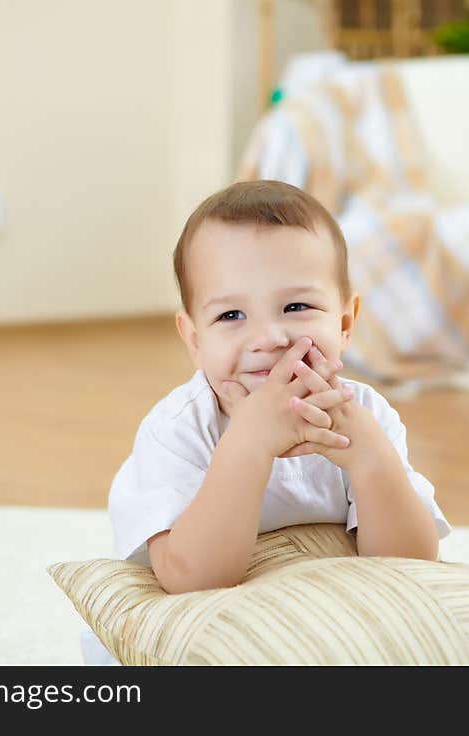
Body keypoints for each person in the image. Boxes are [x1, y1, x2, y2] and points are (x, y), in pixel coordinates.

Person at [108, 179, 451, 596]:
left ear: (344, 324)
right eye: (232, 315)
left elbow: (409, 565)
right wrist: (247, 445)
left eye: (296, 307)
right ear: (195, 340)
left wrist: (371, 460)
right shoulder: (179, 430)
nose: (270, 337)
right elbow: (191, 579)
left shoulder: (363, 416)